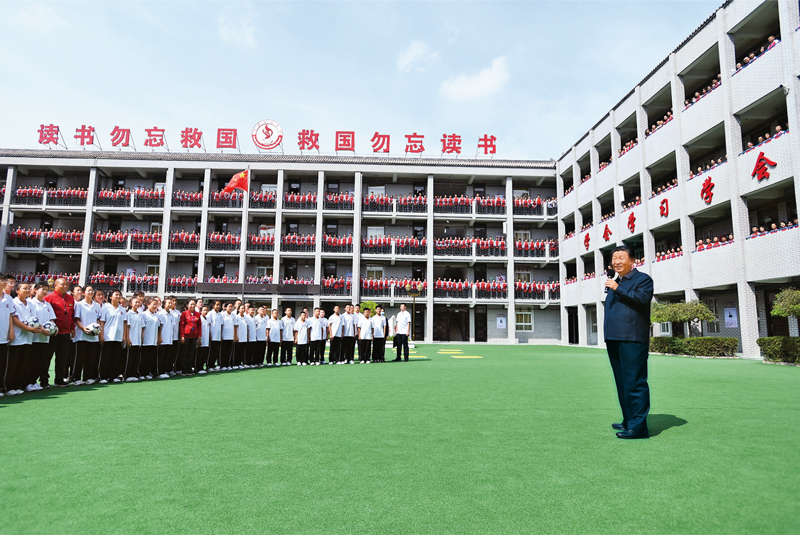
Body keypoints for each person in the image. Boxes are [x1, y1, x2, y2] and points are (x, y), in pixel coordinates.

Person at [603, 245, 655, 439]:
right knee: (622, 383)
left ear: (632, 261)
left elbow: (642, 299)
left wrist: (618, 287)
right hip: (614, 339)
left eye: (621, 257)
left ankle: (639, 428)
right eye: (614, 257)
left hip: (632, 339)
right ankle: (628, 420)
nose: (616, 261)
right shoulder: (616, 282)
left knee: (635, 383)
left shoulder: (643, 280)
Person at [43, 277, 75, 387]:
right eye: (62, 284)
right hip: (53, 334)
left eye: (67, 284)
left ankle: (59, 379)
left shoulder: (70, 298)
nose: (65, 286)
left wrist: (72, 328)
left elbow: (71, 315)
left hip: (66, 334)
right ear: (55, 285)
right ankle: (44, 380)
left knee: (63, 358)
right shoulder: (49, 298)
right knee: (47, 357)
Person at [27, 283, 57, 388]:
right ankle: (27, 382)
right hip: (33, 337)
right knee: (31, 361)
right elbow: (31, 321)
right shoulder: (30, 303)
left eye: (47, 290)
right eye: (42, 289)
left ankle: (34, 381)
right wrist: (41, 330)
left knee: (40, 361)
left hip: (45, 338)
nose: (45, 291)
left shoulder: (47, 304)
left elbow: (52, 319)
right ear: (35, 290)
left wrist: (54, 329)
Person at [73, 285, 102, 385]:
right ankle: (76, 378)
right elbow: (76, 319)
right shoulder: (79, 305)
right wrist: (83, 328)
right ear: (84, 293)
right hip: (81, 336)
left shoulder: (97, 306)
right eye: (88, 291)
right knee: (79, 358)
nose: (90, 292)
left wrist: (98, 330)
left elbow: (98, 319)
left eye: (92, 291)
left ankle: (87, 377)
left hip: (93, 337)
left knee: (90, 358)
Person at [98, 290, 126, 383]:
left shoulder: (122, 309)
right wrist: (101, 336)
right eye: (116, 295)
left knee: (115, 358)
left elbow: (124, 324)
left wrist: (124, 336)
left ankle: (113, 376)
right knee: (105, 358)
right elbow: (101, 322)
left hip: (118, 337)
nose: (118, 296)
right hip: (107, 337)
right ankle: (102, 376)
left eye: (119, 295)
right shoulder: (105, 308)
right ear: (110, 297)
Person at [123, 296, 143, 382]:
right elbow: (127, 327)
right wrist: (127, 338)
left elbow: (142, 328)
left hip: (138, 341)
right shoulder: (128, 314)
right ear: (131, 304)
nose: (137, 304)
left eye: (139, 302)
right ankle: (127, 375)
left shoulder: (140, 315)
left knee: (136, 358)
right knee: (129, 359)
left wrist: (141, 339)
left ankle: (134, 374)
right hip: (131, 339)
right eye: (135, 302)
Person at [179, 299, 201, 375]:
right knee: (184, 353)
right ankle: (184, 369)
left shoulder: (198, 314)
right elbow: (181, 326)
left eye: (194, 304)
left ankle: (189, 368)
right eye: (191, 304)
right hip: (186, 336)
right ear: (187, 305)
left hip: (194, 336)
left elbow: (199, 326)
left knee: (192, 353)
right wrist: (182, 336)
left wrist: (199, 336)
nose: (192, 306)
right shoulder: (184, 314)